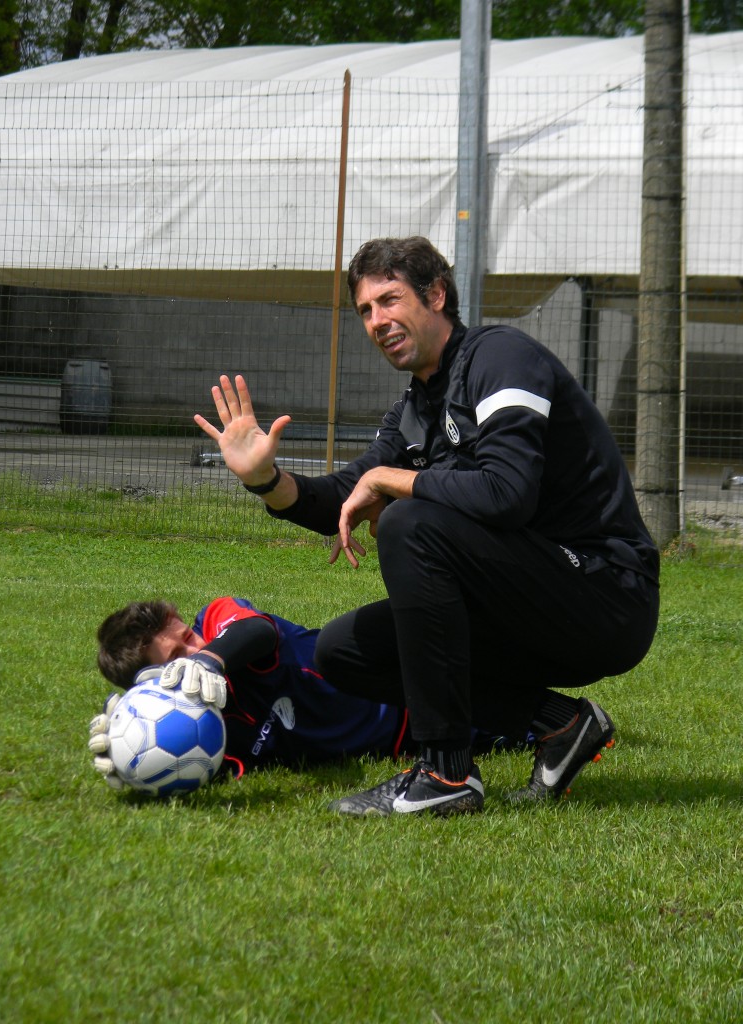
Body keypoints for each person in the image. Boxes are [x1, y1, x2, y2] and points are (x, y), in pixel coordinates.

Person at [193, 236, 660, 818]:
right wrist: (267, 479)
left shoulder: (500, 357)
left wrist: (393, 480)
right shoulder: (415, 408)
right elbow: (343, 495)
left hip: (604, 594)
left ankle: (446, 773)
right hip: (530, 606)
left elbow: (507, 493)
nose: (377, 320)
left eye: (389, 300)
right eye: (365, 310)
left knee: (411, 522)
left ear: (436, 294)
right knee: (344, 652)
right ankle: (560, 724)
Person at [89, 596, 528, 788]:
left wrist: (211, 659)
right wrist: (137, 764)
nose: (191, 650)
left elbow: (257, 630)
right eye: (174, 658)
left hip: (410, 679)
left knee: (522, 704)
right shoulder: (206, 732)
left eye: (186, 636)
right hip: (407, 739)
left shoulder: (219, 623)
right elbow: (199, 771)